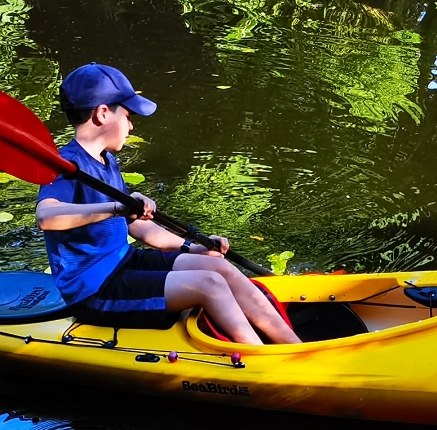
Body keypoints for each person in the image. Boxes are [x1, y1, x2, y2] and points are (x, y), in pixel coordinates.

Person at [35, 63, 299, 346]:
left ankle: (294, 345)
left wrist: (193, 247)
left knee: (219, 268)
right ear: (102, 113)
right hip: (95, 290)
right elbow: (46, 217)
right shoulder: (67, 164)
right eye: (128, 115)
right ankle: (261, 361)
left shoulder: (106, 161)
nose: (131, 125)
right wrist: (116, 207)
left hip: (125, 262)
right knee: (208, 285)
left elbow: (136, 226)